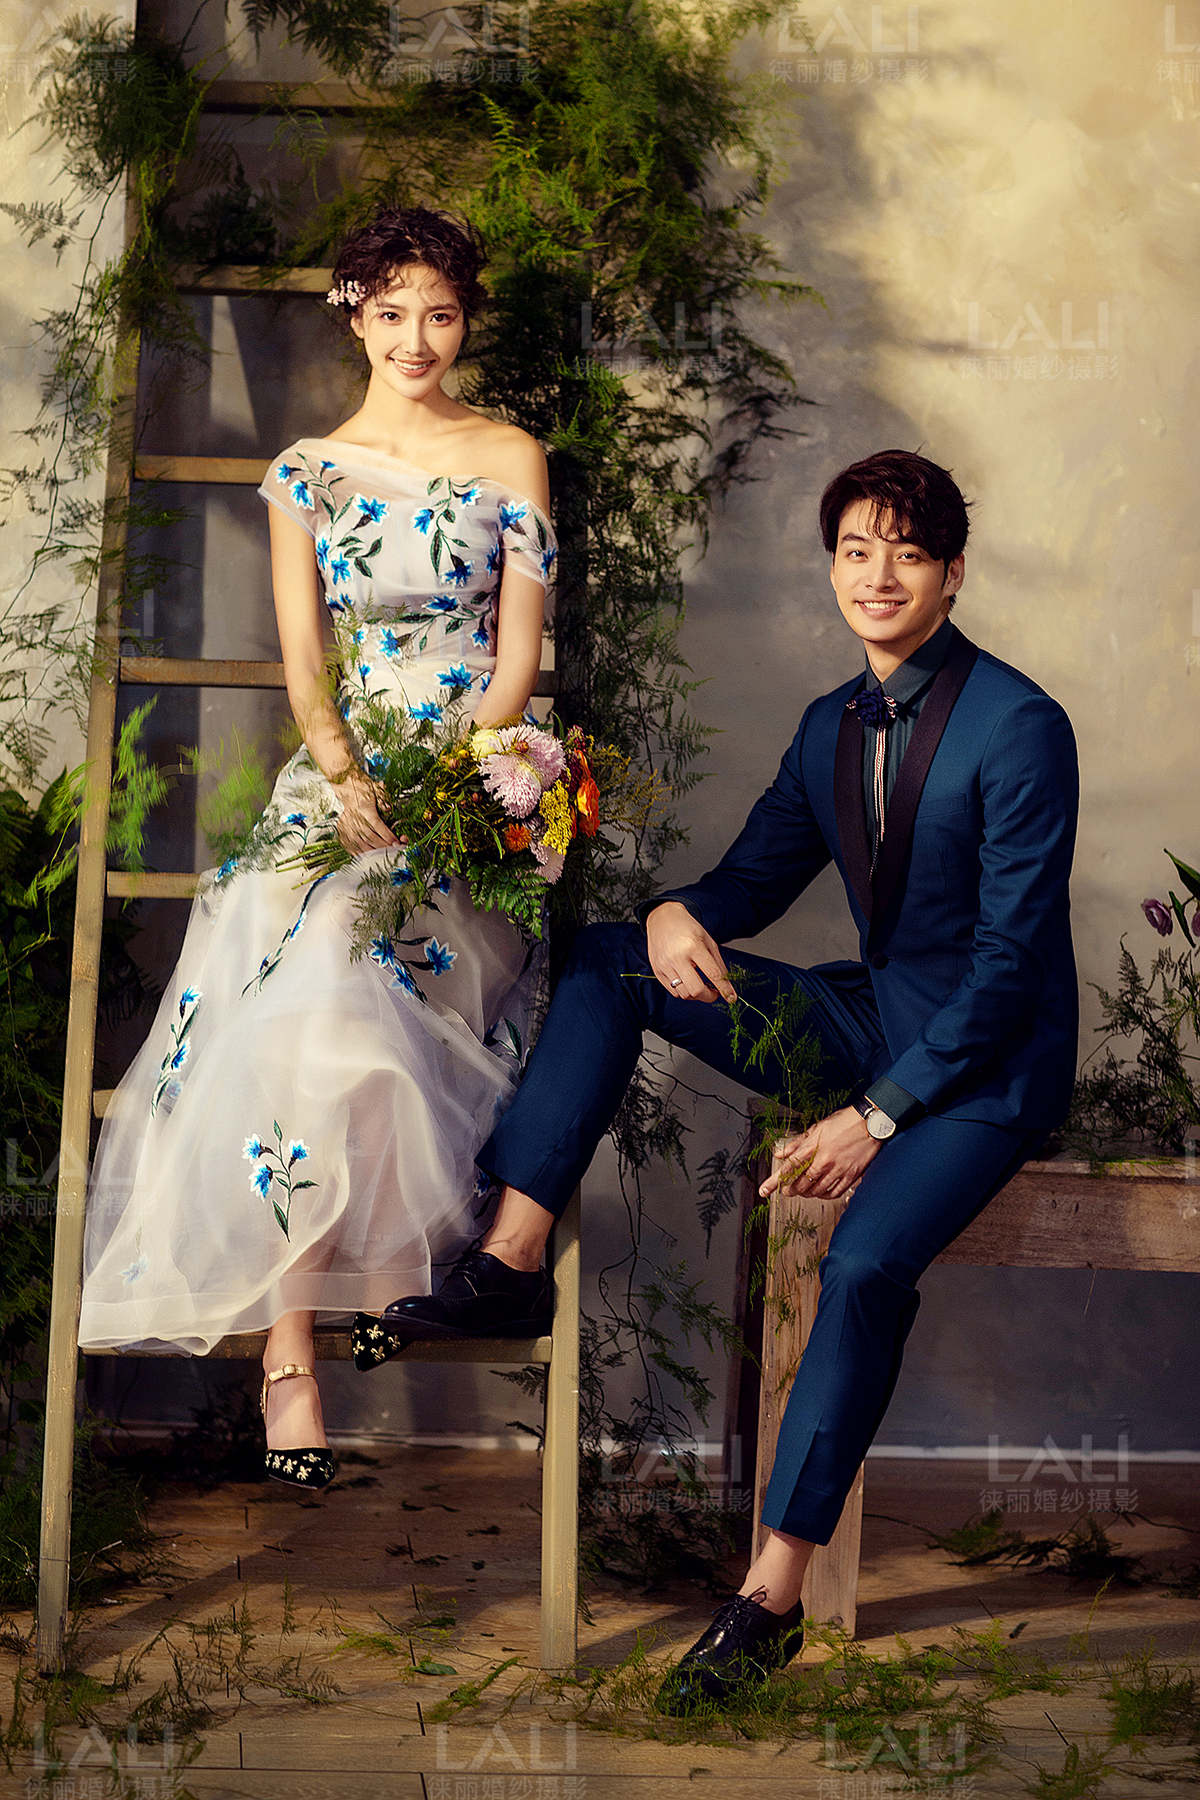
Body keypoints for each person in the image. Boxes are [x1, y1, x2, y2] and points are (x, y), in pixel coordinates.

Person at [374, 448, 1079, 1709]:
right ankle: (512, 1259)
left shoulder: (1021, 726)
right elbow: (750, 882)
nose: (878, 575)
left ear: (953, 574)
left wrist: (874, 1118)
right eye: (856, 550)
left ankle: (769, 1599)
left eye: (908, 553)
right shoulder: (828, 726)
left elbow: (1011, 969)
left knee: (860, 1265)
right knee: (612, 958)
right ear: (833, 567)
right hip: (871, 1020)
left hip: (985, 1071)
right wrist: (673, 910)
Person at [79, 206, 557, 1491]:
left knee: (345, 979)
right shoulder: (305, 472)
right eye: (392, 311)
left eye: (441, 313)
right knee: (284, 971)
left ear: (465, 318)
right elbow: (306, 666)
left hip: (470, 785)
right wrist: (346, 779)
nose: (418, 338)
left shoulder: (511, 454)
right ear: (354, 314)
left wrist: (456, 785)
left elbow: (517, 655)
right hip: (342, 783)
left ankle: (382, 1271)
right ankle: (290, 1346)